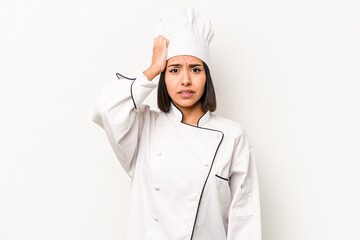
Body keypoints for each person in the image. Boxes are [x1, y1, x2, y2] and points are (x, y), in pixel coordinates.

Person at [92, 7, 262, 240]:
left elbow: (244, 218)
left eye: (195, 69)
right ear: (164, 77)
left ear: (206, 77)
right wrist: (152, 69)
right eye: (174, 70)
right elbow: (105, 109)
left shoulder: (233, 136)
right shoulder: (143, 127)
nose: (185, 80)